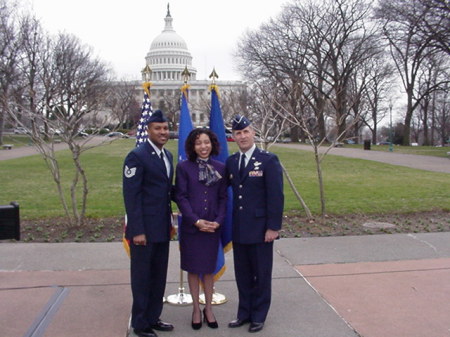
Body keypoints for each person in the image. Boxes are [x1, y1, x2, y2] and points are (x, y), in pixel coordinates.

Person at [225, 115, 284, 333]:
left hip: (261, 229)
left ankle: (259, 315)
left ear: (253, 133)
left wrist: (273, 227)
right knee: (243, 273)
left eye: (245, 132)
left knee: (261, 274)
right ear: (233, 137)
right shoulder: (232, 162)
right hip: (240, 228)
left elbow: (276, 196)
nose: (242, 136)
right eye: (238, 133)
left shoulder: (268, 160)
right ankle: (244, 313)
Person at [122, 110, 175, 337]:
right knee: (142, 277)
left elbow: (166, 191)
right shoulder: (137, 156)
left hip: (162, 228)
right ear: (148, 130)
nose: (163, 132)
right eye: (158, 128)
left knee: (158, 276)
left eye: (165, 128)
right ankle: (141, 323)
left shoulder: (168, 156)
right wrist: (137, 231)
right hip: (143, 231)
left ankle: (154, 317)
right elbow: (131, 197)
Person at [174, 128, 227, 330]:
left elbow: (223, 197)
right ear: (192, 147)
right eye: (198, 143)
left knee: (208, 269)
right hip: (192, 228)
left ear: (212, 144)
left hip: (213, 227)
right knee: (194, 269)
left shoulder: (221, 168)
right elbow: (181, 196)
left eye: (206, 142)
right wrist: (195, 221)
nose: (203, 147)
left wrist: (219, 221)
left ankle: (209, 308)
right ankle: (196, 308)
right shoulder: (184, 167)